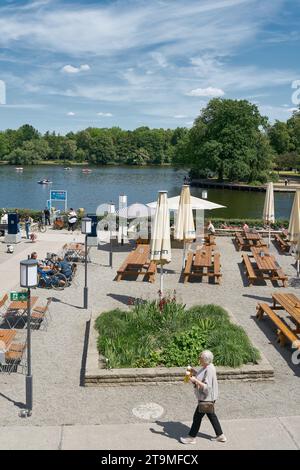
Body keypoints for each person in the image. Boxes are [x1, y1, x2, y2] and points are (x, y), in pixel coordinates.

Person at [180, 350, 226, 445]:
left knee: (197, 418)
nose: (199, 359)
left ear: (205, 360)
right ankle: (220, 436)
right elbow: (203, 377)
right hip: (209, 398)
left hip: (206, 398)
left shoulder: (209, 369)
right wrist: (194, 372)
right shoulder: (207, 366)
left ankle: (191, 437)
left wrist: (195, 380)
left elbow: (207, 387)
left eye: (200, 358)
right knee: (211, 416)